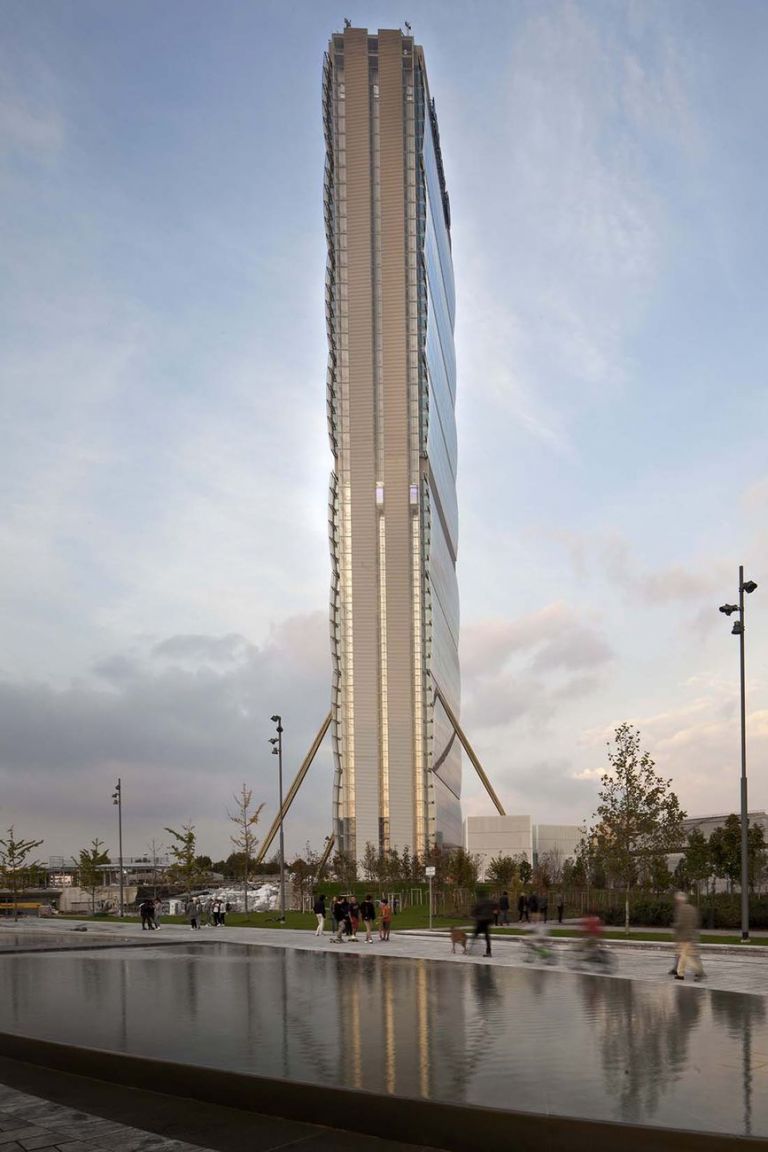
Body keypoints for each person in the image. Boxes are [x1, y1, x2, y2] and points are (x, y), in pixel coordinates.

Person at [673, 891, 705, 982]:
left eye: (677, 900)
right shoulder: (692, 908)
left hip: (683, 936)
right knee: (684, 955)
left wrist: (675, 926)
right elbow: (696, 922)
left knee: (685, 955)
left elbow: (680, 923)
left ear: (679, 901)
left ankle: (697, 971)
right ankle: (680, 973)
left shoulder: (681, 909)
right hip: (691, 935)